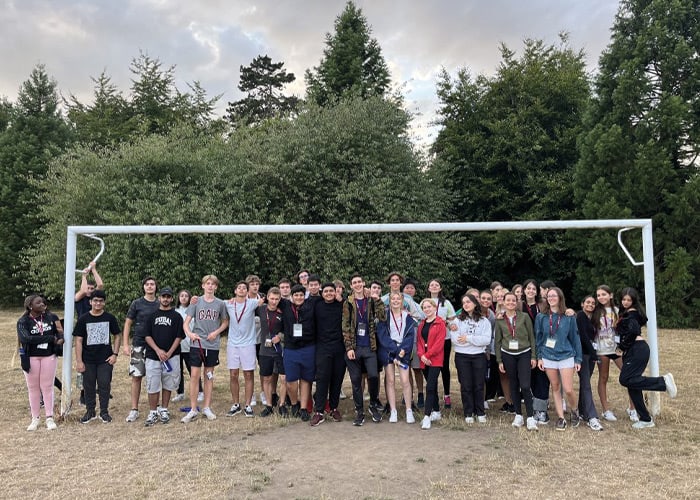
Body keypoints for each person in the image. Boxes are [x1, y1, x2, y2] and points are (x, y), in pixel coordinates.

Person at [617, 287, 677, 428]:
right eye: (624, 299)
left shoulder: (631, 314)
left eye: (628, 300)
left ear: (633, 301)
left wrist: (622, 346)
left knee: (625, 379)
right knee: (632, 384)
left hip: (637, 350)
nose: (625, 302)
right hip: (634, 350)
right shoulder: (629, 313)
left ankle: (663, 382)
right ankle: (645, 419)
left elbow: (633, 331)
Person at [181, 275, 229, 423]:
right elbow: (186, 323)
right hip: (197, 344)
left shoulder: (220, 304)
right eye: (207, 284)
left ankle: (207, 407)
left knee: (209, 376)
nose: (210, 286)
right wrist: (190, 334)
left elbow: (225, 321)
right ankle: (193, 409)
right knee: (194, 376)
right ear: (203, 286)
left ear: (216, 287)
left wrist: (216, 333)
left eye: (213, 284)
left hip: (212, 345)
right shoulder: (196, 301)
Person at [535, 287, 582, 431]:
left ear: (560, 298)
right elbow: (539, 339)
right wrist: (539, 357)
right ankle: (561, 417)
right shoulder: (541, 317)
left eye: (554, 296)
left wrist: (578, 359)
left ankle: (574, 411)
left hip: (566, 355)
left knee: (568, 389)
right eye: (549, 296)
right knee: (555, 387)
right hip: (548, 356)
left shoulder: (568, 316)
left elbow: (575, 338)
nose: (551, 298)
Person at [343, 274, 386, 426]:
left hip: (369, 346)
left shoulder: (370, 300)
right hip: (354, 347)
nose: (357, 284)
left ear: (364, 283)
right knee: (355, 380)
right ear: (351, 286)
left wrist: (377, 299)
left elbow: (382, 317)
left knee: (373, 376)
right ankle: (359, 411)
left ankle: (373, 405)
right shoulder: (348, 303)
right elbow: (346, 326)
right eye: (354, 282)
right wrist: (348, 347)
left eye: (359, 282)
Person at [73, 289, 122, 424]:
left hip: (105, 359)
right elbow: (78, 340)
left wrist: (115, 354)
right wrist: (79, 361)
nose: (98, 303)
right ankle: (90, 411)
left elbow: (117, 335)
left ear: (104, 303)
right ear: (90, 302)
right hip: (88, 359)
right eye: (95, 300)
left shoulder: (109, 318)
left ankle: (104, 412)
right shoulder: (84, 319)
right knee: (88, 386)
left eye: (101, 301)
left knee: (104, 384)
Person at [17, 295, 64, 431]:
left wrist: (60, 340)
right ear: (30, 306)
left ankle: (49, 417)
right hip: (31, 357)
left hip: (48, 356)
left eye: (43, 301)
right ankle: (35, 418)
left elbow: (60, 333)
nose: (42, 303)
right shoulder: (23, 321)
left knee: (47, 386)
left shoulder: (52, 317)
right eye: (38, 302)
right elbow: (26, 338)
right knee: (33, 388)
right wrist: (50, 338)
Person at [495, 292, 538, 431]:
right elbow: (498, 342)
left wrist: (533, 356)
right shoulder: (500, 319)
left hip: (524, 353)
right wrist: (499, 360)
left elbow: (532, 337)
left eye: (513, 300)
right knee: (513, 384)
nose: (511, 303)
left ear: (517, 302)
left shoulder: (524, 317)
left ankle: (530, 417)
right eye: (508, 300)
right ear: (504, 302)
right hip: (508, 354)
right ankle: (518, 415)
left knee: (525, 385)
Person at [143, 287, 185, 426]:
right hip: (153, 355)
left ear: (172, 299)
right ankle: (153, 411)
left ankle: (164, 409)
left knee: (168, 383)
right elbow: (147, 335)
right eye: (163, 296)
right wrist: (158, 350)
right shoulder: (152, 315)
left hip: (171, 356)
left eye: (168, 296)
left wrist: (169, 352)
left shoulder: (177, 316)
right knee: (153, 383)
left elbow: (179, 336)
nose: (165, 299)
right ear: (159, 298)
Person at [122, 276, 160, 423]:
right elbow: (127, 324)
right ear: (143, 287)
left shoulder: (159, 303)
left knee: (154, 377)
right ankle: (134, 409)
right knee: (136, 377)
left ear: (156, 287)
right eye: (147, 284)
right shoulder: (137, 303)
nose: (150, 286)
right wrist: (126, 344)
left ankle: (155, 408)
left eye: (152, 284)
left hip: (155, 346)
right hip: (138, 344)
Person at [223, 280, 263, 418]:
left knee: (248, 374)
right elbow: (213, 301)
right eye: (239, 288)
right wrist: (195, 299)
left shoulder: (252, 303)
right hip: (233, 344)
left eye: (244, 288)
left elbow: (269, 298)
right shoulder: (229, 303)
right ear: (235, 291)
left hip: (248, 343)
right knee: (233, 374)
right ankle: (235, 404)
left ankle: (247, 405)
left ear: (247, 291)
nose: (241, 290)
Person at [278, 284, 318, 421]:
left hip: (308, 347)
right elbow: (268, 298)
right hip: (291, 348)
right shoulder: (285, 306)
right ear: (291, 297)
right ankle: (294, 403)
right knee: (291, 381)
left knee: (306, 379)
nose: (299, 297)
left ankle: (303, 407)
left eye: (301, 295)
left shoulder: (311, 304)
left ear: (304, 296)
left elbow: (326, 296)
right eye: (296, 295)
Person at [450, 293, 491, 424]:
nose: (466, 304)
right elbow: (456, 340)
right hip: (462, 357)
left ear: (475, 303)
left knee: (479, 385)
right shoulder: (457, 321)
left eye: (468, 301)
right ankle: (468, 412)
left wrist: (467, 338)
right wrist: (474, 341)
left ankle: (480, 412)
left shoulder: (484, 321)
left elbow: (485, 340)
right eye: (464, 302)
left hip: (479, 356)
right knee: (466, 385)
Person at [377, 290, 416, 424]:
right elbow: (382, 336)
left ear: (402, 301)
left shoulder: (407, 316)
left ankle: (408, 410)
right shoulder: (384, 316)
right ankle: (393, 410)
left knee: (405, 381)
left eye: (398, 299)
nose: (395, 301)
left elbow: (410, 336)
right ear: (389, 301)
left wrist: (403, 350)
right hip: (389, 351)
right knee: (390, 380)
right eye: (393, 299)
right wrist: (395, 350)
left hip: (403, 352)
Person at [310, 283, 346, 426]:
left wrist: (341, 300)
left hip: (339, 347)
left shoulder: (341, 306)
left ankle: (333, 407)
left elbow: (351, 308)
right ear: (322, 293)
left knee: (337, 379)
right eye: (326, 291)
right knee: (322, 379)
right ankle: (319, 411)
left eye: (332, 291)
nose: (329, 293)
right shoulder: (317, 305)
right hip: (323, 347)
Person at [591, 284, 623, 422]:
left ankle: (633, 408)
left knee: (628, 375)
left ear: (611, 295)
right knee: (603, 378)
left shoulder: (618, 310)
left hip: (616, 349)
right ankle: (606, 410)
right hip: (601, 350)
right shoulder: (595, 311)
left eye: (604, 294)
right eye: (598, 295)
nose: (601, 297)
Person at [426, 279, 456, 410]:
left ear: (440, 288)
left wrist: (446, 323)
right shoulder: (425, 302)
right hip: (430, 340)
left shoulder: (446, 303)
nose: (434, 287)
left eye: (436, 285)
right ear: (428, 288)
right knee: (430, 368)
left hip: (445, 339)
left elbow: (453, 319)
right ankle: (433, 395)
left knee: (444, 367)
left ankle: (447, 394)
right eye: (431, 285)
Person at [575, 295, 604, 431]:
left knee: (585, 382)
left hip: (591, 354)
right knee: (586, 384)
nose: (591, 305)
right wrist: (593, 353)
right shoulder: (580, 316)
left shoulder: (593, 319)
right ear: (582, 304)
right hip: (583, 354)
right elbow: (583, 336)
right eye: (588, 302)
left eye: (593, 303)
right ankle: (592, 417)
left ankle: (582, 411)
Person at [417, 298, 446, 430]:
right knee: (431, 386)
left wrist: (427, 355)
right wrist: (422, 356)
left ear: (435, 308)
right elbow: (419, 342)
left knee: (429, 386)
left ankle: (427, 416)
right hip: (424, 360)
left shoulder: (440, 323)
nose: (427, 309)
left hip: (435, 360)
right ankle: (436, 411)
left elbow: (439, 344)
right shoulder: (422, 324)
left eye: (429, 307)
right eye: (424, 308)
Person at [257, 287, 287, 417]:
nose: (274, 301)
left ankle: (282, 405)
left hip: (279, 350)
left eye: (277, 299)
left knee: (283, 378)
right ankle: (269, 405)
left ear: (280, 299)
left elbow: (288, 329)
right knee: (267, 378)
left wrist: (280, 336)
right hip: (264, 350)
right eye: (272, 298)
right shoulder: (260, 309)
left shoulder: (283, 312)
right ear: (267, 298)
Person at [174, 289, 202, 403]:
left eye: (186, 296)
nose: (184, 298)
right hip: (177, 346)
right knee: (178, 371)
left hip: (190, 345)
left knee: (193, 370)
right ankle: (180, 392)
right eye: (182, 296)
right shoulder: (174, 311)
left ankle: (200, 391)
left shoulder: (193, 309)